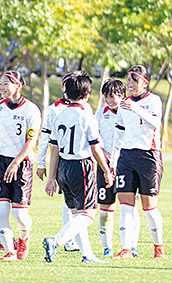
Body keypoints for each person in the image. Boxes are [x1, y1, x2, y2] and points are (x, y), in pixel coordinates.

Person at [42, 71, 114, 264]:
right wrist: (106, 170)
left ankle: (87, 255)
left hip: (63, 168)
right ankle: (55, 241)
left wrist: (52, 177)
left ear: (67, 93)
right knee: (88, 214)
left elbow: (54, 147)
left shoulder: (60, 114)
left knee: (76, 214)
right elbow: (95, 147)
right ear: (87, 94)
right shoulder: (86, 115)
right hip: (81, 166)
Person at [110, 65, 165, 259]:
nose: (130, 84)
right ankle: (126, 249)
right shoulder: (124, 104)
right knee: (125, 203)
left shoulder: (153, 100)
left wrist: (137, 109)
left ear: (145, 82)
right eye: (129, 80)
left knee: (149, 207)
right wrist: (113, 161)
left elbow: (155, 124)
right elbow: (119, 133)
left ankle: (158, 246)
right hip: (126, 156)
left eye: (135, 80)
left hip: (148, 156)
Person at [0, 70, 41, 261]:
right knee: (1, 211)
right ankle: (10, 250)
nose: (1, 87)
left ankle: (24, 237)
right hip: (0, 162)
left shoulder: (31, 110)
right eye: (0, 83)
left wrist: (16, 162)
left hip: (22, 164)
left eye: (6, 84)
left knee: (19, 215)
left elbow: (31, 141)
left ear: (18, 86)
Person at [95, 78, 141, 257]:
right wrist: (104, 156)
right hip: (104, 165)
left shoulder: (130, 112)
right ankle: (107, 247)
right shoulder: (100, 114)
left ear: (122, 96)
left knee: (129, 206)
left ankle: (132, 245)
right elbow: (95, 137)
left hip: (126, 165)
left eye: (112, 96)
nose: (109, 100)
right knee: (105, 209)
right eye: (106, 97)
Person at [37, 73, 82, 253]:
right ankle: (69, 240)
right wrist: (41, 162)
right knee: (70, 201)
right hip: (63, 158)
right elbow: (45, 137)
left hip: (78, 158)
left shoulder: (83, 108)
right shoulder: (54, 109)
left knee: (76, 202)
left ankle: (74, 240)